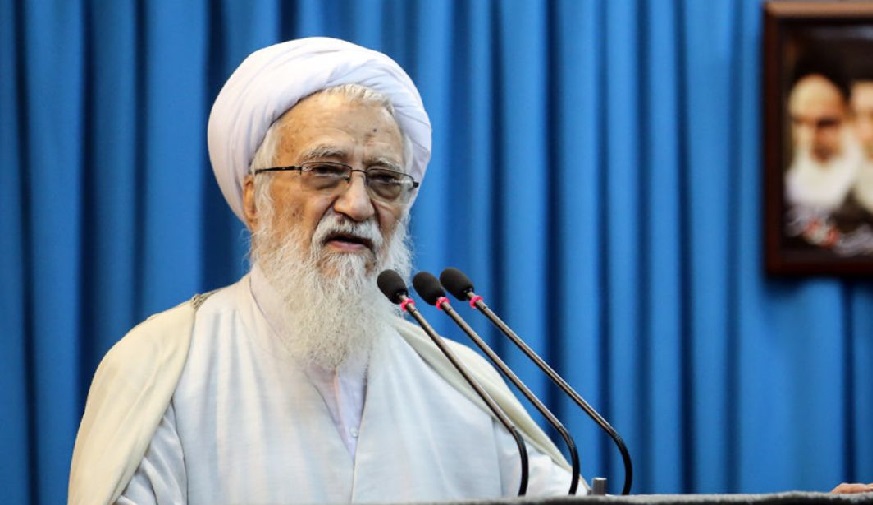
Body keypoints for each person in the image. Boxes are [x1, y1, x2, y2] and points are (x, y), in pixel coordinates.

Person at [67, 38, 575, 505]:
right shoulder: (161, 370)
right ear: (254, 198)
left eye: (384, 179)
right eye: (326, 171)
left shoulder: (463, 380)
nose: (358, 205)